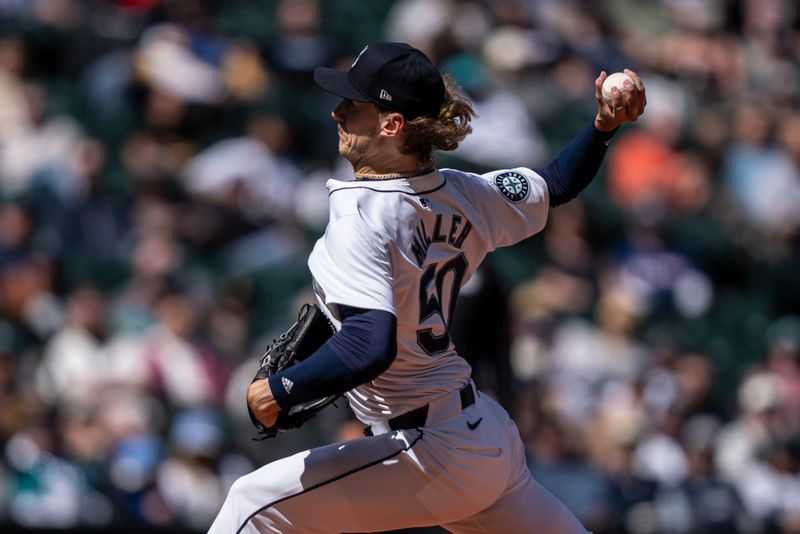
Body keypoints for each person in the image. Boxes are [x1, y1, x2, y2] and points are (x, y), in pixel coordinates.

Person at [210, 42, 645, 533]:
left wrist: (279, 391)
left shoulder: (361, 216)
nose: (337, 112)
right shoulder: (464, 193)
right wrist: (602, 128)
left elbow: (368, 344)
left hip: (428, 449)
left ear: (391, 125)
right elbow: (557, 182)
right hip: (482, 436)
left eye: (353, 105)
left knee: (250, 506)